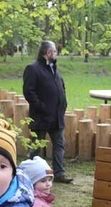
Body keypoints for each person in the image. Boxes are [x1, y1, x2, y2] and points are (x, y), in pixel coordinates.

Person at [23, 40, 73, 184]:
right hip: (41, 116)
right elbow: (29, 92)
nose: (56, 54)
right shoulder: (33, 68)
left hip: (57, 116)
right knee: (37, 147)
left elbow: (61, 87)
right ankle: (31, 175)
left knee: (59, 144)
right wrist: (41, 107)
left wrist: (63, 104)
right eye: (55, 52)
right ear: (48, 53)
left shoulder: (54, 68)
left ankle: (59, 173)